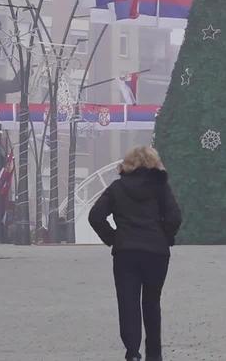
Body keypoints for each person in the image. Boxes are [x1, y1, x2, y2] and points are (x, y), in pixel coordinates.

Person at [88, 146, 182, 361]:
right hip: (156, 253)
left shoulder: (117, 188)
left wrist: (113, 238)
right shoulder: (161, 188)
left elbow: (95, 216)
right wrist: (165, 236)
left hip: (126, 253)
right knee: (151, 301)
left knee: (128, 302)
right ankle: (154, 354)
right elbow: (175, 217)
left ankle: (132, 352)